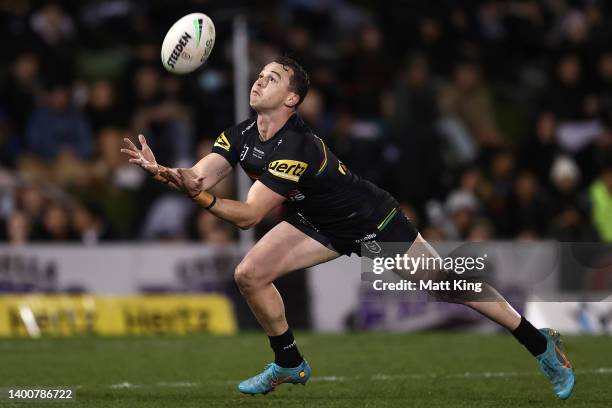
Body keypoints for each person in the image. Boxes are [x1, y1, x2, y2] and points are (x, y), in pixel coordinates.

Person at [121, 56, 575, 399]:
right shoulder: (239, 134)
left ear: (292, 99)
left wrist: (197, 195)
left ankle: (540, 343)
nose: (260, 79)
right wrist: (170, 173)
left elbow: (248, 216)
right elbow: (201, 175)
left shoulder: (295, 145)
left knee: (447, 286)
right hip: (317, 223)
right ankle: (289, 363)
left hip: (370, 222)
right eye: (260, 74)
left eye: (272, 78)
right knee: (249, 275)